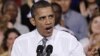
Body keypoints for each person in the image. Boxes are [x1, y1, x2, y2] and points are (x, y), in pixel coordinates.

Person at [11, 1, 85, 56]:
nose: (48, 22)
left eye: (51, 16)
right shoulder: (21, 42)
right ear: (33, 21)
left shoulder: (69, 40)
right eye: (42, 18)